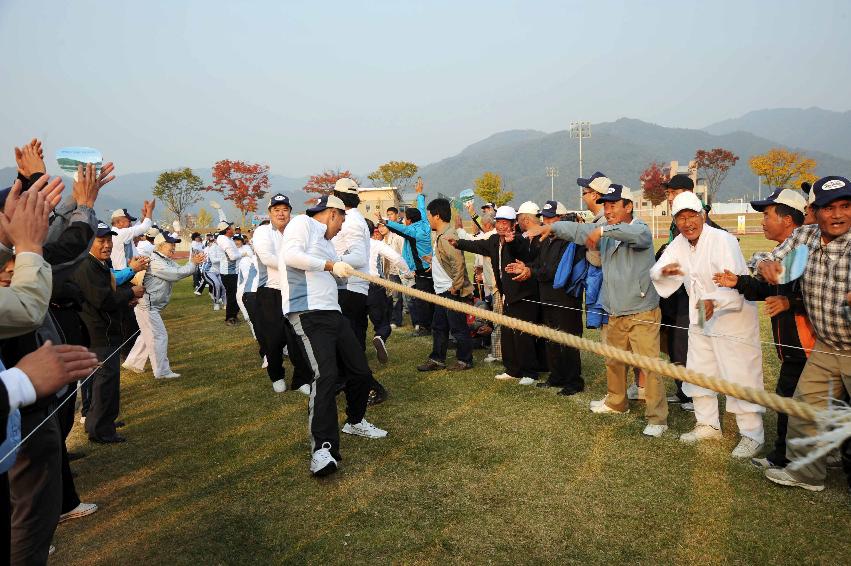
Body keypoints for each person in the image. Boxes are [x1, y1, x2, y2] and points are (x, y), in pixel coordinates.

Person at [527, 184, 669, 437]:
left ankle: (657, 419)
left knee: (650, 367)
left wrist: (602, 230)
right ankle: (617, 402)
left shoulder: (640, 229)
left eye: (614, 205)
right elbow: (580, 229)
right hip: (614, 311)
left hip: (642, 312)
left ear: (629, 206)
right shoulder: (602, 232)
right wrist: (553, 228)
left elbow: (633, 235)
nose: (608, 210)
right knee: (614, 362)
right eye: (605, 205)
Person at [750, 176, 851, 491]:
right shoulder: (804, 237)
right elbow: (763, 260)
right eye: (829, 207)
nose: (838, 215)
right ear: (814, 211)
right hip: (827, 345)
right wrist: (766, 264)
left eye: (846, 206)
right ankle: (808, 474)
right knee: (804, 408)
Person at [279, 195, 387, 477]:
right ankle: (322, 450)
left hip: (333, 312)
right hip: (308, 312)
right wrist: (330, 265)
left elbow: (334, 274)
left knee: (360, 370)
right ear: (332, 214)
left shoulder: (327, 244)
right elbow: (291, 256)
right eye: (340, 221)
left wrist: (340, 268)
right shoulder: (302, 223)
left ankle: (355, 420)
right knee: (325, 376)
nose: (340, 229)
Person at [651, 192, 765, 456]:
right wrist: (665, 271)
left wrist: (716, 300)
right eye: (681, 218)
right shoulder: (679, 243)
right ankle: (707, 424)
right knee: (699, 366)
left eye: (692, 216)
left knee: (739, 373)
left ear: (702, 215)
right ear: (675, 222)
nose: (688, 223)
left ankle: (752, 434)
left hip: (731, 315)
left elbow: (733, 281)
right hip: (701, 311)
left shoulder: (722, 239)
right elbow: (659, 272)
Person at [713, 188, 810, 467]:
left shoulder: (804, 251)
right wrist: (739, 282)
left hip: (807, 344)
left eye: (767, 215)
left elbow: (821, 297)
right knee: (790, 399)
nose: (763, 221)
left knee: (792, 400)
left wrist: (790, 302)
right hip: (791, 346)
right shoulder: (781, 254)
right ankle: (787, 456)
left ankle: (786, 458)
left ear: (788, 220)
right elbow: (764, 285)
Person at [72, 222, 145, 443]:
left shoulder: (101, 263)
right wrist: (130, 292)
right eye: (101, 241)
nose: (107, 245)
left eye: (109, 240)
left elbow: (111, 289)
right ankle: (100, 430)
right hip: (98, 333)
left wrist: (126, 298)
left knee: (107, 382)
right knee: (104, 382)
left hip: (107, 330)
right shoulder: (87, 266)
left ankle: (103, 421)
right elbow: (102, 299)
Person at [451, 206, 539, 382]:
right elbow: (476, 245)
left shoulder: (519, 240)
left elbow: (518, 250)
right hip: (506, 294)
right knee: (507, 333)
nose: (500, 226)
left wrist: (511, 241)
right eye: (498, 222)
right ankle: (512, 369)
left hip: (522, 295)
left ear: (513, 225)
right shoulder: (492, 240)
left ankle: (530, 372)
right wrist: (458, 242)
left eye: (504, 223)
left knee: (522, 335)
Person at [507, 201, 586, 395]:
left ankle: (573, 381)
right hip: (547, 296)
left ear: (562, 219)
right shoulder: (546, 239)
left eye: (552, 218)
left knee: (568, 341)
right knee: (550, 339)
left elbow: (555, 271)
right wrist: (526, 267)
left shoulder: (570, 241)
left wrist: (530, 272)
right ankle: (556, 376)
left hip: (566, 299)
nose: (547, 222)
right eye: (545, 218)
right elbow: (538, 263)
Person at [332, 178, 388, 404]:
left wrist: (329, 262)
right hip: (348, 287)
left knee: (350, 346)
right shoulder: (350, 219)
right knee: (349, 343)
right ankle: (344, 383)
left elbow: (357, 257)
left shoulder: (351, 221)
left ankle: (371, 388)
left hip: (351, 288)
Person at [252, 193, 312, 394]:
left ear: (290, 212)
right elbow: (267, 258)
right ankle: (276, 375)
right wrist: (298, 264)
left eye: (284, 210)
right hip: (271, 291)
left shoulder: (296, 232)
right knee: (274, 338)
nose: (281, 213)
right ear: (270, 213)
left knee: (297, 337)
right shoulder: (262, 232)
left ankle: (301, 379)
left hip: (294, 290)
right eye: (276, 210)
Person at [123, 232, 205, 379]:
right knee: (159, 337)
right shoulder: (156, 261)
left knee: (147, 335)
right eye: (171, 244)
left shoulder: (163, 258)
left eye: (174, 244)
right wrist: (193, 262)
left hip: (149, 305)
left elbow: (179, 271)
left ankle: (133, 362)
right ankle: (162, 371)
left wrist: (193, 262)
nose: (173, 247)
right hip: (147, 306)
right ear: (160, 245)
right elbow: (176, 274)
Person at [416, 198, 475, 372]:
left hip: (450, 290)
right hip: (442, 290)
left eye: (429, 216)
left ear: (438, 216)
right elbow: (447, 260)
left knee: (458, 328)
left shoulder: (448, 236)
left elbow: (458, 263)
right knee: (439, 326)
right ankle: (437, 359)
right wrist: (433, 261)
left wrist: (456, 287)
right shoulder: (441, 235)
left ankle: (465, 360)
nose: (428, 219)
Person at [382, 178, 434, 337]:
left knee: (421, 300)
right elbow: (423, 211)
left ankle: (425, 327)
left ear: (409, 220)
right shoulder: (425, 224)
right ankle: (428, 324)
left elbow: (398, 227)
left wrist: (382, 220)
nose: (404, 221)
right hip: (429, 267)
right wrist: (419, 194)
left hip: (420, 270)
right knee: (429, 298)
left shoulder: (412, 231)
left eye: (405, 219)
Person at [366, 219, 411, 363]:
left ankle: (358, 353)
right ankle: (380, 336)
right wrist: (408, 272)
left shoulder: (346, 244)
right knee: (383, 323)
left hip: (352, 288)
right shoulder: (375, 243)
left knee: (357, 324)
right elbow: (396, 258)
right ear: (373, 231)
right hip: (373, 286)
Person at [216, 221, 247, 325]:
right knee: (232, 295)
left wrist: (220, 209)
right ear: (227, 230)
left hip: (231, 271)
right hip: (230, 272)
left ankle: (233, 315)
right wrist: (243, 253)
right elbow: (232, 257)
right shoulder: (226, 241)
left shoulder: (225, 238)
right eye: (230, 228)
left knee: (235, 294)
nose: (232, 229)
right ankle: (230, 318)